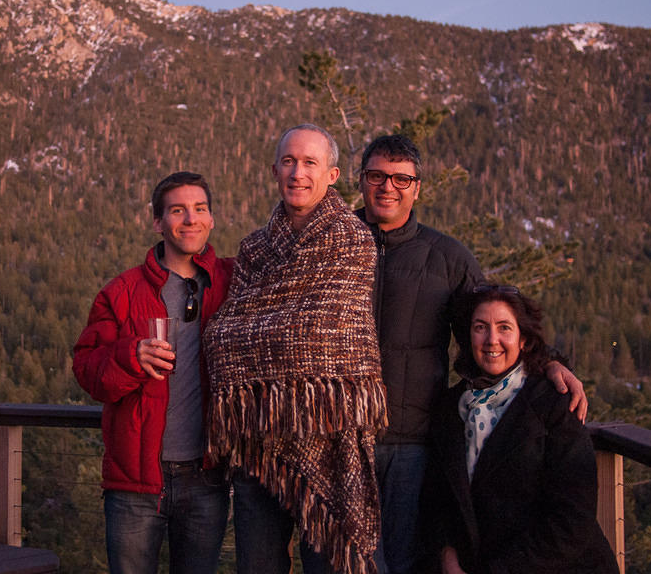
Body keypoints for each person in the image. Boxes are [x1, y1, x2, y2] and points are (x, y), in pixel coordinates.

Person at [354, 134, 588, 574]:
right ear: (361, 180)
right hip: (343, 438)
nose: (388, 187)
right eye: (377, 176)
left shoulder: (446, 257)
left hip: (412, 440)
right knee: (347, 563)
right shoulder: (333, 247)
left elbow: (493, 325)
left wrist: (551, 360)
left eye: (401, 179)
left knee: (404, 562)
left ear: (417, 187)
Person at [204, 124, 387, 574]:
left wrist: (261, 340)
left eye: (309, 163)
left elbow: (328, 332)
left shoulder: (352, 242)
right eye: (289, 161)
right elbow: (224, 335)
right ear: (274, 170)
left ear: (332, 175)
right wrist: (269, 338)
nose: (297, 173)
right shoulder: (254, 250)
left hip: (329, 440)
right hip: (260, 447)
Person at [72, 172, 234, 574]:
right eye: (177, 210)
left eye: (199, 209)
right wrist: (130, 355)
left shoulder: (232, 283)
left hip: (207, 477)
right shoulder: (121, 292)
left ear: (212, 218)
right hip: (135, 484)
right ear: (158, 221)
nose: (190, 219)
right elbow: (87, 370)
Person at [420, 284, 619, 574]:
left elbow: (573, 520)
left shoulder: (554, 403)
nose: (492, 340)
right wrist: (448, 557)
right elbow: (439, 504)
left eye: (504, 328)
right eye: (480, 327)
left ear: (523, 339)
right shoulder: (450, 410)